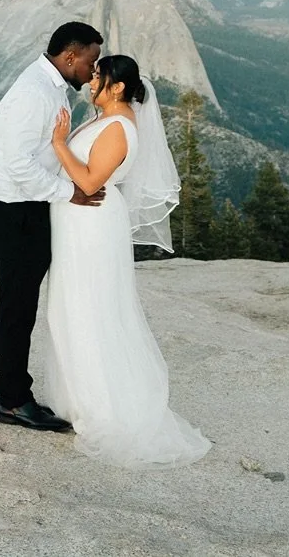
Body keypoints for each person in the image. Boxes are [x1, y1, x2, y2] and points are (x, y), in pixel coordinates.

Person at [41, 53, 211, 469]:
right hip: (77, 223)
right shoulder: (104, 120)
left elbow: (88, 181)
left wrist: (59, 143)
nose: (91, 80)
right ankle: (80, 398)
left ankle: (101, 408)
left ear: (117, 87)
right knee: (71, 307)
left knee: (89, 309)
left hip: (92, 226)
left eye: (98, 76)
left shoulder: (118, 127)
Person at [0, 22, 105, 431]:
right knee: (18, 306)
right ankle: (14, 400)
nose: (93, 69)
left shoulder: (47, 86)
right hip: (14, 209)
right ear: (70, 56)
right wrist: (69, 192)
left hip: (24, 205)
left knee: (19, 303)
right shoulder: (34, 93)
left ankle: (4, 386)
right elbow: (18, 166)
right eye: (91, 59)